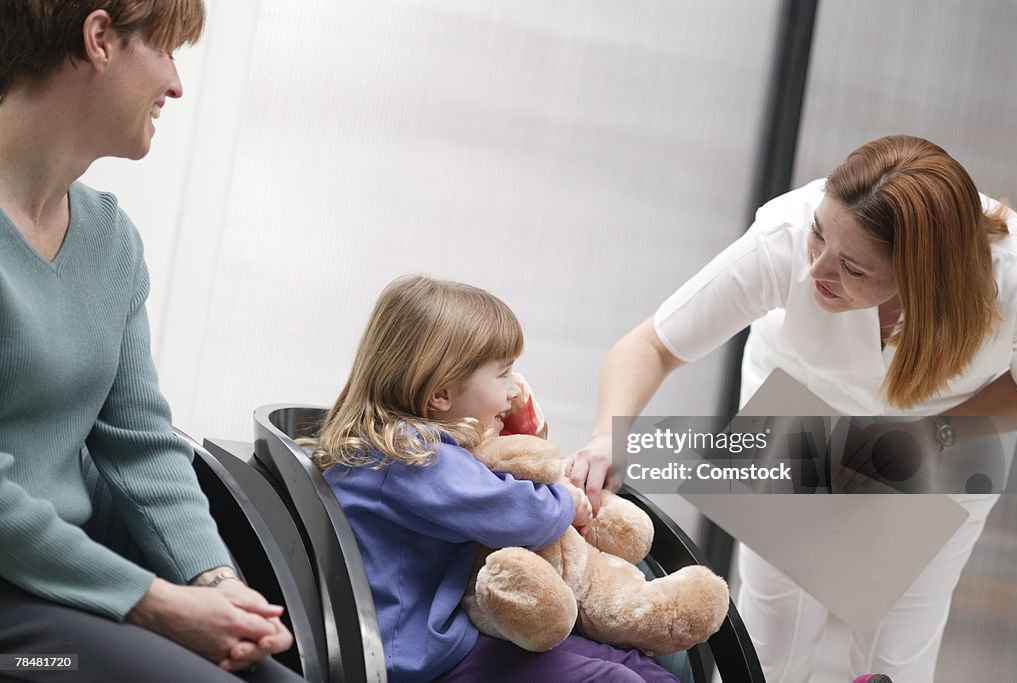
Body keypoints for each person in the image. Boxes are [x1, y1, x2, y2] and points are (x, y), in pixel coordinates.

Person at [567, 135, 1017, 682]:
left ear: (921, 276)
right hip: (798, 404)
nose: (817, 270)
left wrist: (924, 442)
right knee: (772, 633)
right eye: (819, 235)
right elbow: (653, 346)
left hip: (954, 429)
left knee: (898, 654)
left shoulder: (1011, 278)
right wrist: (606, 437)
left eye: (852, 267)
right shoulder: (784, 237)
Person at [0, 2, 301, 681]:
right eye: (166, 51)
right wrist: (154, 601)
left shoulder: (111, 240)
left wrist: (214, 580)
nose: (176, 84)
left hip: (80, 583)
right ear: (100, 38)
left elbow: (141, 442)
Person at [307, 274, 678, 683]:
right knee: (616, 678)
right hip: (420, 658)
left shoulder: (388, 447)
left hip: (442, 636)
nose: (515, 390)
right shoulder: (413, 457)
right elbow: (517, 515)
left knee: (632, 667)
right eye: (503, 375)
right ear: (442, 395)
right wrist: (567, 501)